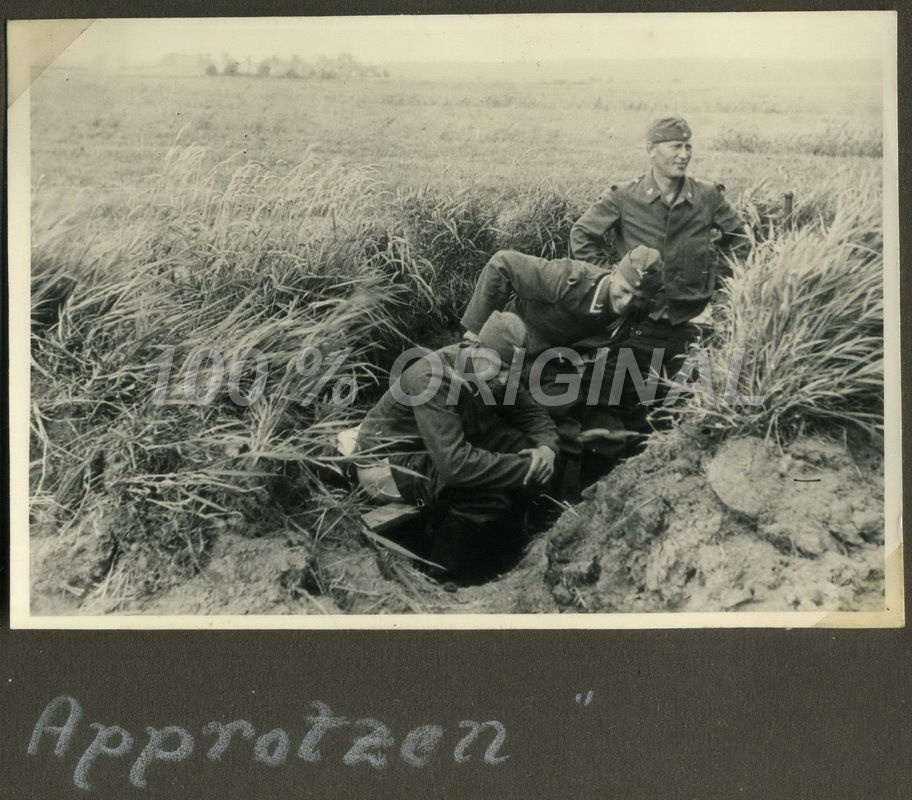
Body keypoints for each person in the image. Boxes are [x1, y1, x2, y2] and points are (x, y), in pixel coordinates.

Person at [568, 116, 751, 433]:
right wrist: (615, 280)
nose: (684, 154)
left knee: (686, 414)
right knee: (611, 405)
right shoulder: (624, 196)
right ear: (651, 150)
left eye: (688, 147)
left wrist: (717, 281)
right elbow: (582, 235)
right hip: (638, 325)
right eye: (675, 146)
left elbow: (740, 241)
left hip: (690, 327)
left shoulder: (707, 196)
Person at [357, 311, 560, 580]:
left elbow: (534, 418)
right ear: (475, 348)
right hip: (387, 464)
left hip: (438, 447)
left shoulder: (497, 368)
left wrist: (546, 450)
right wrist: (527, 468)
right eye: (499, 368)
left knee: (520, 444)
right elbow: (455, 466)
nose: (503, 380)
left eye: (511, 372)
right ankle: (445, 578)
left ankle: (508, 557)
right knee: (482, 494)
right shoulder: (432, 377)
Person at [459, 245, 664, 492]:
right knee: (557, 422)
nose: (628, 301)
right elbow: (503, 263)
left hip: (556, 363)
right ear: (613, 273)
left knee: (606, 431)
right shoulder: (571, 281)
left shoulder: (637, 311)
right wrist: (476, 332)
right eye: (625, 290)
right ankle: (550, 493)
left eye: (639, 297)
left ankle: (578, 497)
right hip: (515, 349)